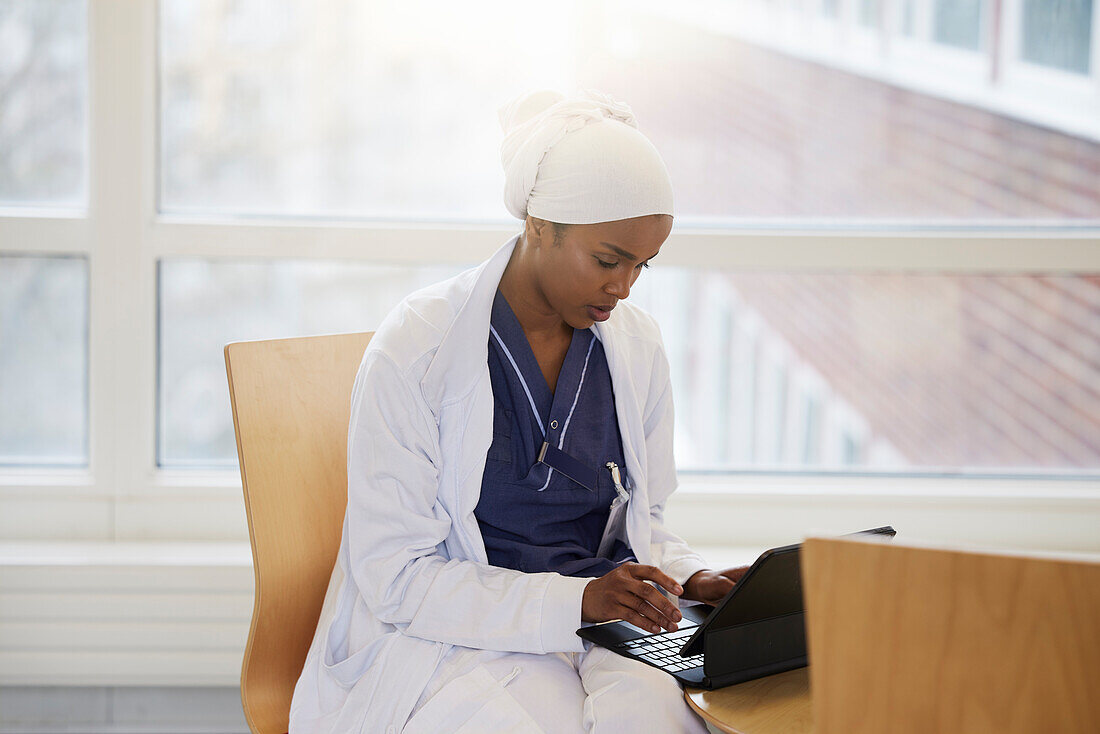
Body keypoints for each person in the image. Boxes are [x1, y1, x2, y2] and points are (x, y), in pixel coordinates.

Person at [288, 90, 748, 734]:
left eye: (643, 264)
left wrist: (687, 577)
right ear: (538, 225)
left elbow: (644, 522)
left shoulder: (635, 347)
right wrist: (572, 598)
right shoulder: (419, 348)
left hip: (608, 623)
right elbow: (395, 579)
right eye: (608, 260)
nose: (623, 287)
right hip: (460, 632)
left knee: (667, 719)